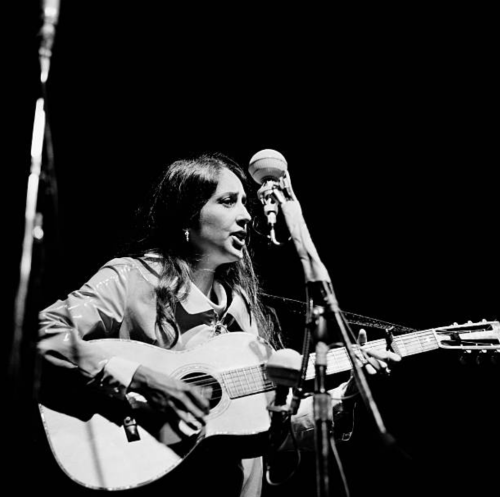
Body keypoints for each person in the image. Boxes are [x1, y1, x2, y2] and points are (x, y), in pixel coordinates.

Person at [36, 152, 401, 497]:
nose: (246, 216)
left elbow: (270, 430)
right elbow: (45, 332)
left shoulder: (243, 312)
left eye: (245, 202)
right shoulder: (131, 279)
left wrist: (343, 399)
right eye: (228, 201)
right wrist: (141, 377)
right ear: (186, 215)